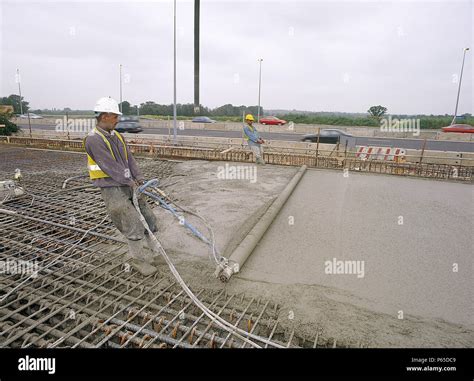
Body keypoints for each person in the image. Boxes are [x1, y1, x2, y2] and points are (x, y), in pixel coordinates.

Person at [84, 97, 159, 276]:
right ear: (105, 115)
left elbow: (129, 159)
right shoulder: (94, 139)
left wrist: (138, 177)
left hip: (127, 184)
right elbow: (109, 165)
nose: (118, 119)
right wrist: (129, 181)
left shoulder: (117, 136)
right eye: (115, 116)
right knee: (131, 221)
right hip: (111, 188)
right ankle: (138, 260)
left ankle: (155, 252)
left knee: (147, 217)